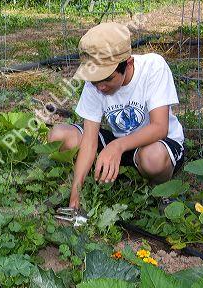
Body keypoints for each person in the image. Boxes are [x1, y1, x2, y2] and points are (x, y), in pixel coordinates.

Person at [47, 22, 185, 209]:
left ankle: (161, 189)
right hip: (119, 143)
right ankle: (101, 177)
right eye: (95, 81)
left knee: (153, 158)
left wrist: (117, 146)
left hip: (154, 143)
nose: (100, 87)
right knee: (59, 135)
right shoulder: (95, 83)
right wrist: (75, 196)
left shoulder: (153, 67)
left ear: (128, 64)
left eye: (108, 79)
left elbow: (160, 127)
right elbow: (89, 140)